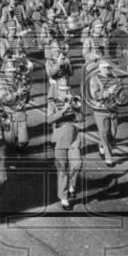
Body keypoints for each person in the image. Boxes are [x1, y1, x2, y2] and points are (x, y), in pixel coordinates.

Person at [47, 76, 82, 209]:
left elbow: (81, 119)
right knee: (62, 169)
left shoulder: (74, 102)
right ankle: (64, 198)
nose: (67, 92)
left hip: (73, 136)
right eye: (63, 90)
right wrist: (63, 110)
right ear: (58, 92)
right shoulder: (53, 103)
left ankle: (72, 184)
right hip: (60, 137)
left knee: (77, 163)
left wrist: (77, 110)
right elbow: (49, 120)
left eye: (68, 90)